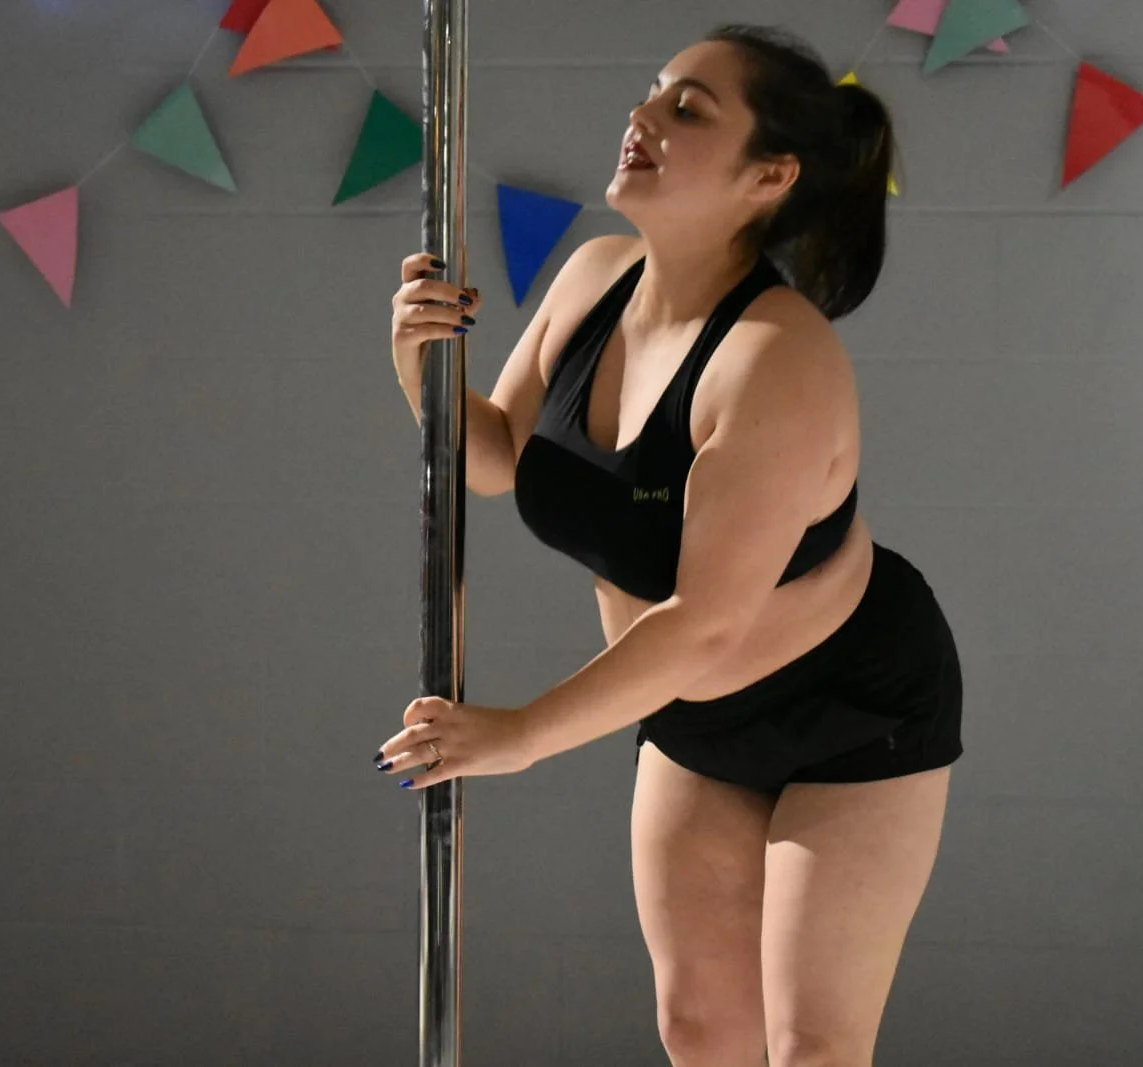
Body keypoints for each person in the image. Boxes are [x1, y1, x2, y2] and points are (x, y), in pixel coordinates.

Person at [374, 23, 962, 1067]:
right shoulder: (594, 277)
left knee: (813, 1045)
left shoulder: (777, 358)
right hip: (689, 711)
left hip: (851, 710)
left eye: (689, 109)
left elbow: (703, 621)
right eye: (652, 94)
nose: (642, 118)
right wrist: (419, 364)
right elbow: (501, 452)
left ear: (767, 175)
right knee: (698, 1029)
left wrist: (512, 735)